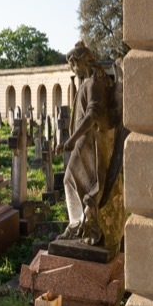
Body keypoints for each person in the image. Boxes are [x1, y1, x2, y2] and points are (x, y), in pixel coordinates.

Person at [59, 42, 119, 245]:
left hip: (90, 141)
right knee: (77, 181)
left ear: (84, 62)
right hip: (84, 140)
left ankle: (85, 225)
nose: (73, 70)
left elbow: (92, 115)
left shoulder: (94, 83)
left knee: (71, 179)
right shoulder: (86, 83)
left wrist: (72, 139)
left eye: (74, 65)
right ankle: (81, 224)